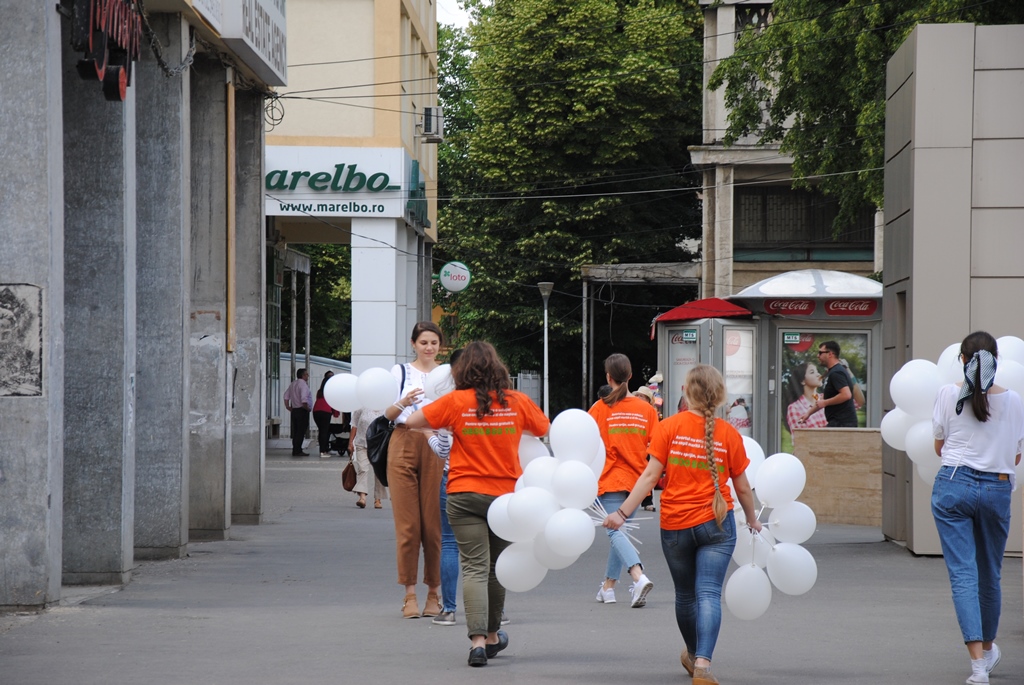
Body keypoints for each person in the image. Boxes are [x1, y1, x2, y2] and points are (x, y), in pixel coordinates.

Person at [604, 365, 761, 685]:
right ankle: (702, 663)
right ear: (719, 396)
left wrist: (621, 514)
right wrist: (754, 519)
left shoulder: (669, 427)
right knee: (709, 594)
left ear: (686, 392)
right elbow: (743, 487)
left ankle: (692, 652)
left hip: (675, 523)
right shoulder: (730, 434)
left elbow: (650, 476)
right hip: (717, 523)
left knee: (686, 596)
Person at [406, 341, 549, 667]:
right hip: (505, 499)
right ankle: (495, 634)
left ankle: (479, 643)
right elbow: (543, 428)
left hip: (463, 493)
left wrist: (443, 426)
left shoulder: (456, 402)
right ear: (498, 369)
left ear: (462, 371)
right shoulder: (517, 401)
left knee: (474, 566)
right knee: (497, 569)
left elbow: (412, 421)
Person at [930, 331, 1024, 685]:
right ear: (996, 359)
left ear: (962, 359)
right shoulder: (1015, 401)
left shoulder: (946, 394)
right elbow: (1016, 454)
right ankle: (988, 648)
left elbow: (940, 446)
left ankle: (978, 667)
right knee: (991, 574)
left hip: (954, 483)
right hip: (998, 487)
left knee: (963, 575)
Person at [380, 321, 446, 618]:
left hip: (436, 443)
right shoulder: (400, 372)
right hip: (403, 439)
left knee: (433, 526)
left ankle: (434, 592)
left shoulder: (448, 374)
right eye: (424, 342)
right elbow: (388, 414)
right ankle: (409, 594)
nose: (429, 347)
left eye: (434, 342)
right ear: (413, 344)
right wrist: (403, 400)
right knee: (408, 526)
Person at [589, 353, 659, 608]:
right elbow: (656, 447)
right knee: (620, 532)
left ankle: (638, 576)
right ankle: (608, 587)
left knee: (614, 530)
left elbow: (586, 443)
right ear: (630, 376)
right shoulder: (647, 410)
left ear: (609, 377)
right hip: (638, 481)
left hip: (609, 480)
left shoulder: (599, 408)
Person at [348, 406, 388, 509]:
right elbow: (354, 424)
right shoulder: (361, 407)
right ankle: (362, 498)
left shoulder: (385, 408)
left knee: (378, 472)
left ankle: (377, 499)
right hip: (361, 442)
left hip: (378, 445)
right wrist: (350, 442)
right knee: (363, 469)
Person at [813, 341, 858, 427]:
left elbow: (846, 394)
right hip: (838, 423)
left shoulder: (836, 372)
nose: (818, 356)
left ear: (830, 354)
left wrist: (825, 403)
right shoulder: (833, 372)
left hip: (842, 424)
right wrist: (807, 414)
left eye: (820, 353)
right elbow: (823, 399)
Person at [783, 361, 827, 432]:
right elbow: (801, 438)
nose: (818, 374)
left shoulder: (827, 399)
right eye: (812, 372)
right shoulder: (795, 408)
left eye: (817, 371)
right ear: (802, 381)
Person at [283, 368, 312, 456]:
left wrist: (288, 406)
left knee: (296, 431)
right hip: (301, 410)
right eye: (306, 374)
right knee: (301, 431)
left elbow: (286, 396)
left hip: (295, 410)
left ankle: (295, 448)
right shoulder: (303, 385)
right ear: (303, 375)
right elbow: (304, 399)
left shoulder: (293, 384)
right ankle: (298, 450)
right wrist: (307, 408)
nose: (308, 376)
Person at [312, 371, 338, 458]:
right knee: (324, 431)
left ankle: (324, 449)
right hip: (325, 412)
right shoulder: (331, 391)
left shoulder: (320, 391)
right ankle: (323, 451)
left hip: (316, 411)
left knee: (322, 431)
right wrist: (336, 413)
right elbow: (333, 403)